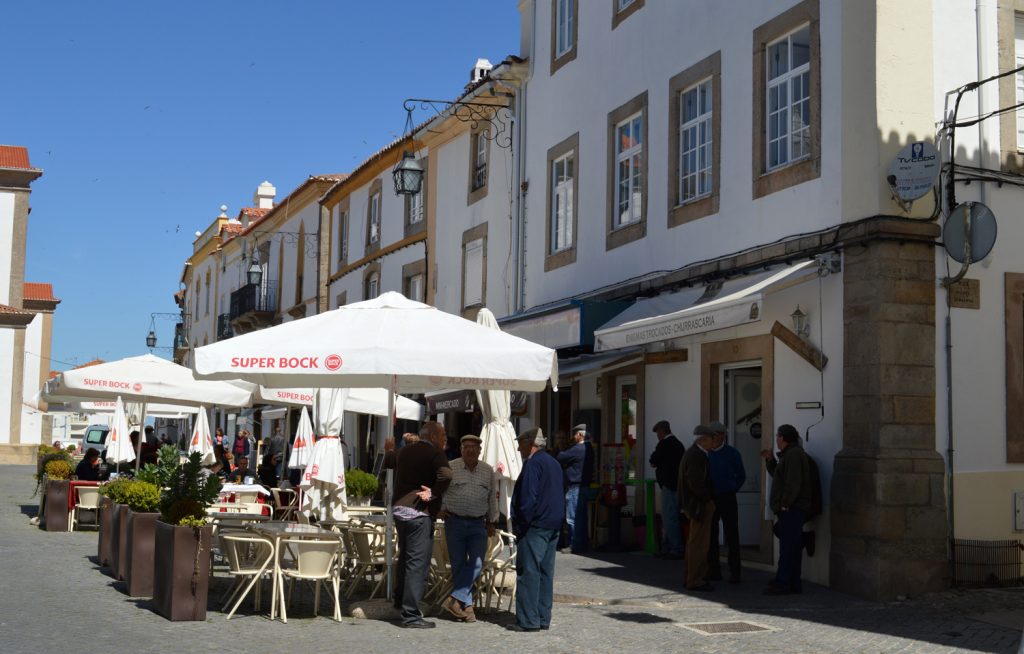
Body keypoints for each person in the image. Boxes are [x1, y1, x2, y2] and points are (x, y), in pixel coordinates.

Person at [389, 421, 452, 629]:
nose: (445, 439)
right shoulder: (435, 453)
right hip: (418, 513)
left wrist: (389, 450)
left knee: (405, 557)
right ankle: (411, 615)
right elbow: (446, 474)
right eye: (442, 435)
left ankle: (400, 601)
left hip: (399, 510)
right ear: (433, 436)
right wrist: (433, 493)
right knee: (417, 563)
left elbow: (389, 461)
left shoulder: (405, 451)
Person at [508, 427, 564, 632]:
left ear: (529, 443)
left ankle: (528, 620)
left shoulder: (533, 464)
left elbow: (528, 500)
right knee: (545, 573)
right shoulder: (554, 463)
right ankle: (542, 618)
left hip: (536, 526)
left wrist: (522, 526)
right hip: (552, 524)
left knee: (529, 572)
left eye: (520, 442)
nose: (517, 447)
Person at [438, 434, 498, 623]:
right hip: (454, 522)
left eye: (474, 447)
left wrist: (492, 521)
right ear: (461, 449)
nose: (470, 450)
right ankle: (467, 607)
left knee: (477, 563)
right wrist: (439, 510)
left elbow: (491, 499)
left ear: (479, 450)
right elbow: (438, 489)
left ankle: (454, 599)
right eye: (466, 447)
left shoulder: (488, 471)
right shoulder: (451, 466)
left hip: (478, 524)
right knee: (458, 566)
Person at [761, 423, 813, 595]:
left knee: (788, 548)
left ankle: (784, 582)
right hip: (791, 508)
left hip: (792, 509)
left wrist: (785, 503)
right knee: (791, 546)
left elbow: (793, 482)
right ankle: (791, 582)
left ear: (782, 438)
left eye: (777, 436)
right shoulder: (790, 455)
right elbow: (780, 475)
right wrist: (770, 460)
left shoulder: (794, 455)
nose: (776, 439)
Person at [706, 420, 746, 583]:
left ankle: (735, 572)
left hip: (727, 497)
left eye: (722, 435)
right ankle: (714, 570)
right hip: (710, 498)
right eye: (717, 435)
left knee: (732, 535)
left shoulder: (732, 453)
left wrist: (732, 488)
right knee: (711, 535)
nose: (720, 438)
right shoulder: (705, 453)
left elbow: (741, 475)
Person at [678, 425, 716, 592]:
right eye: (712, 439)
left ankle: (691, 577)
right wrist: (707, 500)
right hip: (698, 505)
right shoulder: (696, 455)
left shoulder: (695, 453)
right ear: (704, 439)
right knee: (699, 544)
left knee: (695, 542)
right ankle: (695, 579)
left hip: (694, 503)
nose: (713, 442)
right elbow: (695, 482)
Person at [649, 419, 685, 559]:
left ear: (663, 431)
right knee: (672, 516)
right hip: (677, 484)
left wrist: (655, 462)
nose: (657, 435)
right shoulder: (678, 444)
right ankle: (667, 547)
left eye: (658, 432)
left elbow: (653, 460)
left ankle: (675, 548)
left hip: (669, 486)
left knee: (670, 517)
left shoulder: (665, 444)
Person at [555, 423, 587, 553]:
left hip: (573, 486)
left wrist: (561, 449)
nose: (571, 437)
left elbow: (560, 457)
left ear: (579, 435)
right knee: (579, 517)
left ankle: (574, 544)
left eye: (574, 434)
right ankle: (580, 543)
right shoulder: (584, 448)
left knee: (572, 518)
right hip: (575, 486)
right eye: (560, 438)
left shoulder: (576, 449)